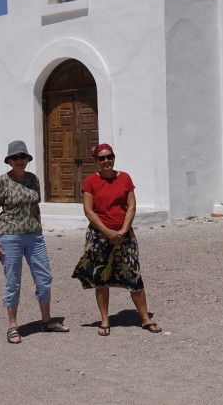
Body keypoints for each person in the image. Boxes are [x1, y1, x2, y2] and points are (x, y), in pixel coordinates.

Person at [72, 143, 162, 336]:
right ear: (96, 161)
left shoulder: (125, 178)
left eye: (109, 156)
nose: (106, 161)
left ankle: (145, 318)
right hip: (99, 236)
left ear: (113, 157)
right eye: (102, 158)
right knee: (101, 278)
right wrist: (107, 232)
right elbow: (89, 211)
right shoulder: (90, 181)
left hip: (124, 236)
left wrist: (122, 231)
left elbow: (131, 206)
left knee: (134, 276)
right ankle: (105, 319)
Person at [0, 140, 69, 344]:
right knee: (13, 281)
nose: (19, 160)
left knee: (44, 278)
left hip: (34, 236)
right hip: (10, 237)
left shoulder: (33, 179)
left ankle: (47, 321)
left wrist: (39, 227)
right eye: (15, 157)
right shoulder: (1, 182)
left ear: (27, 159)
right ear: (9, 160)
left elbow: (35, 206)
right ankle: (12, 326)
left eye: (22, 157)